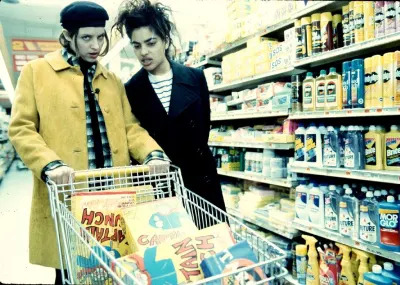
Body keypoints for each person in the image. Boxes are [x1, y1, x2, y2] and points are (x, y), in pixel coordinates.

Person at [8, 1, 169, 283]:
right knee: (72, 270)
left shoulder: (112, 81)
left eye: (100, 37)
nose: (95, 45)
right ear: (67, 37)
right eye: (86, 37)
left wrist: (152, 154)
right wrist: (50, 165)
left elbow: (130, 128)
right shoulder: (36, 73)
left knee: (112, 271)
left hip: (112, 198)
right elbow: (22, 128)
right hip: (68, 196)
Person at [112, 0, 226, 214]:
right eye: (137, 46)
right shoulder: (131, 90)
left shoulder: (195, 77)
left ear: (165, 40)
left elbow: (204, 128)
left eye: (151, 42)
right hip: (160, 186)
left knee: (211, 241)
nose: (144, 52)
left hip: (200, 182)